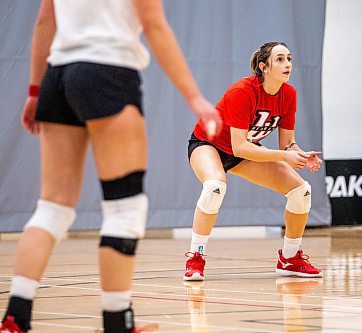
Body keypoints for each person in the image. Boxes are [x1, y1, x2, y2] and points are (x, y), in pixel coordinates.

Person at [0, 0, 221, 332]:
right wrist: (194, 98)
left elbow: (45, 20)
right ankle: (117, 323)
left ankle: (15, 319)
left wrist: (35, 90)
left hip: (57, 76)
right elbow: (155, 25)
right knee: (125, 208)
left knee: (52, 208)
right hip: (107, 71)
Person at [184, 41, 323, 282]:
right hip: (209, 144)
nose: (287, 64)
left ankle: (289, 259)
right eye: (280, 59)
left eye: (289, 58)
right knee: (215, 187)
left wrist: (299, 154)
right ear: (264, 66)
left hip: (244, 152)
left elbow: (287, 142)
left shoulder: (289, 94)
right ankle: (196, 257)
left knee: (302, 191)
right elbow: (240, 146)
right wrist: (284, 156)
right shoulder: (242, 91)